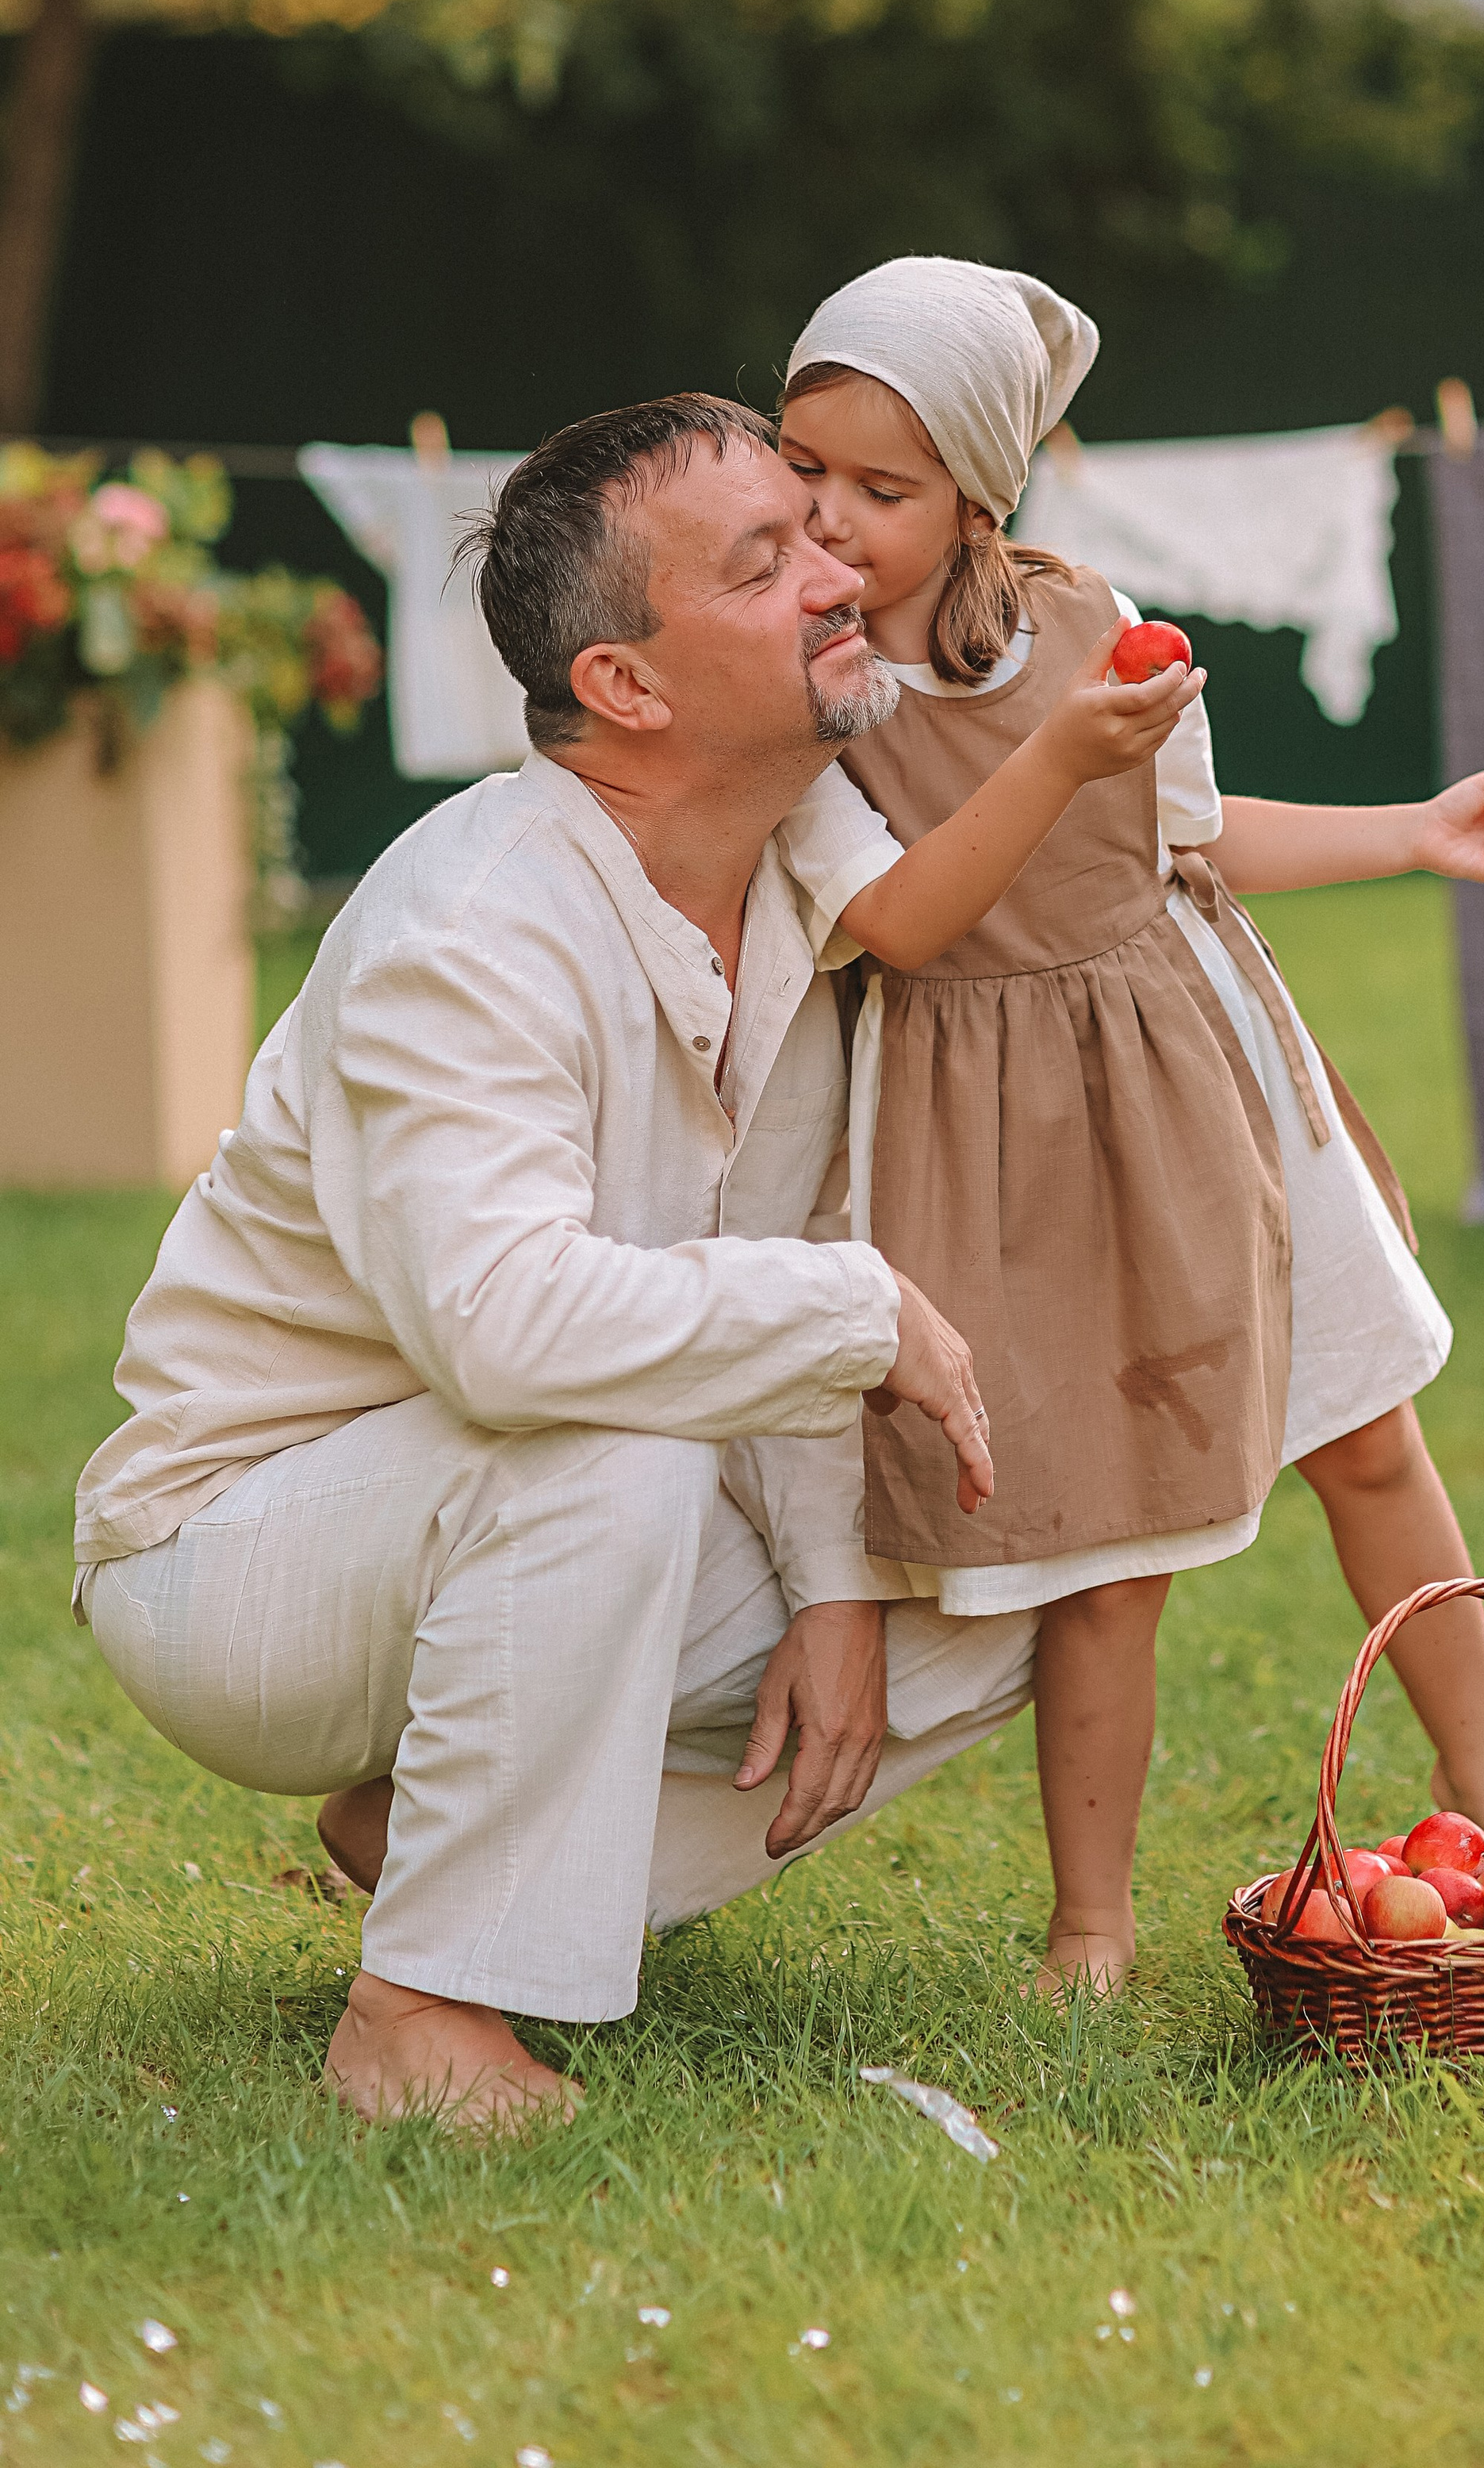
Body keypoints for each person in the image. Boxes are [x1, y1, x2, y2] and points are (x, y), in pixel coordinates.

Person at [72, 393, 1198, 2129]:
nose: (837, 576)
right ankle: (418, 2014)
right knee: (611, 1441)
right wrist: (862, 1310)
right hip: (239, 1556)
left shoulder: (788, 871)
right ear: (626, 687)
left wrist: (835, 1587)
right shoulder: (471, 928)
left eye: (817, 534)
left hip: (503, 1494)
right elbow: (510, 1334)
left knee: (997, 1593)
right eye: (764, 565)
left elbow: (765, 1243)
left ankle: (435, 1845)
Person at [776, 257, 1484, 1997]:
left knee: (1367, 1434)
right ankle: (1093, 1922)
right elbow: (898, 922)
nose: (826, 515)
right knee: (1106, 1552)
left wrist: (1413, 831)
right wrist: (1054, 760)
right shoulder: (810, 691)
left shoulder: (1084, 621)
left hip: (1199, 1073)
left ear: (978, 500)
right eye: (803, 465)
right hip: (999, 1138)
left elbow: (1187, 840)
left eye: (880, 488)